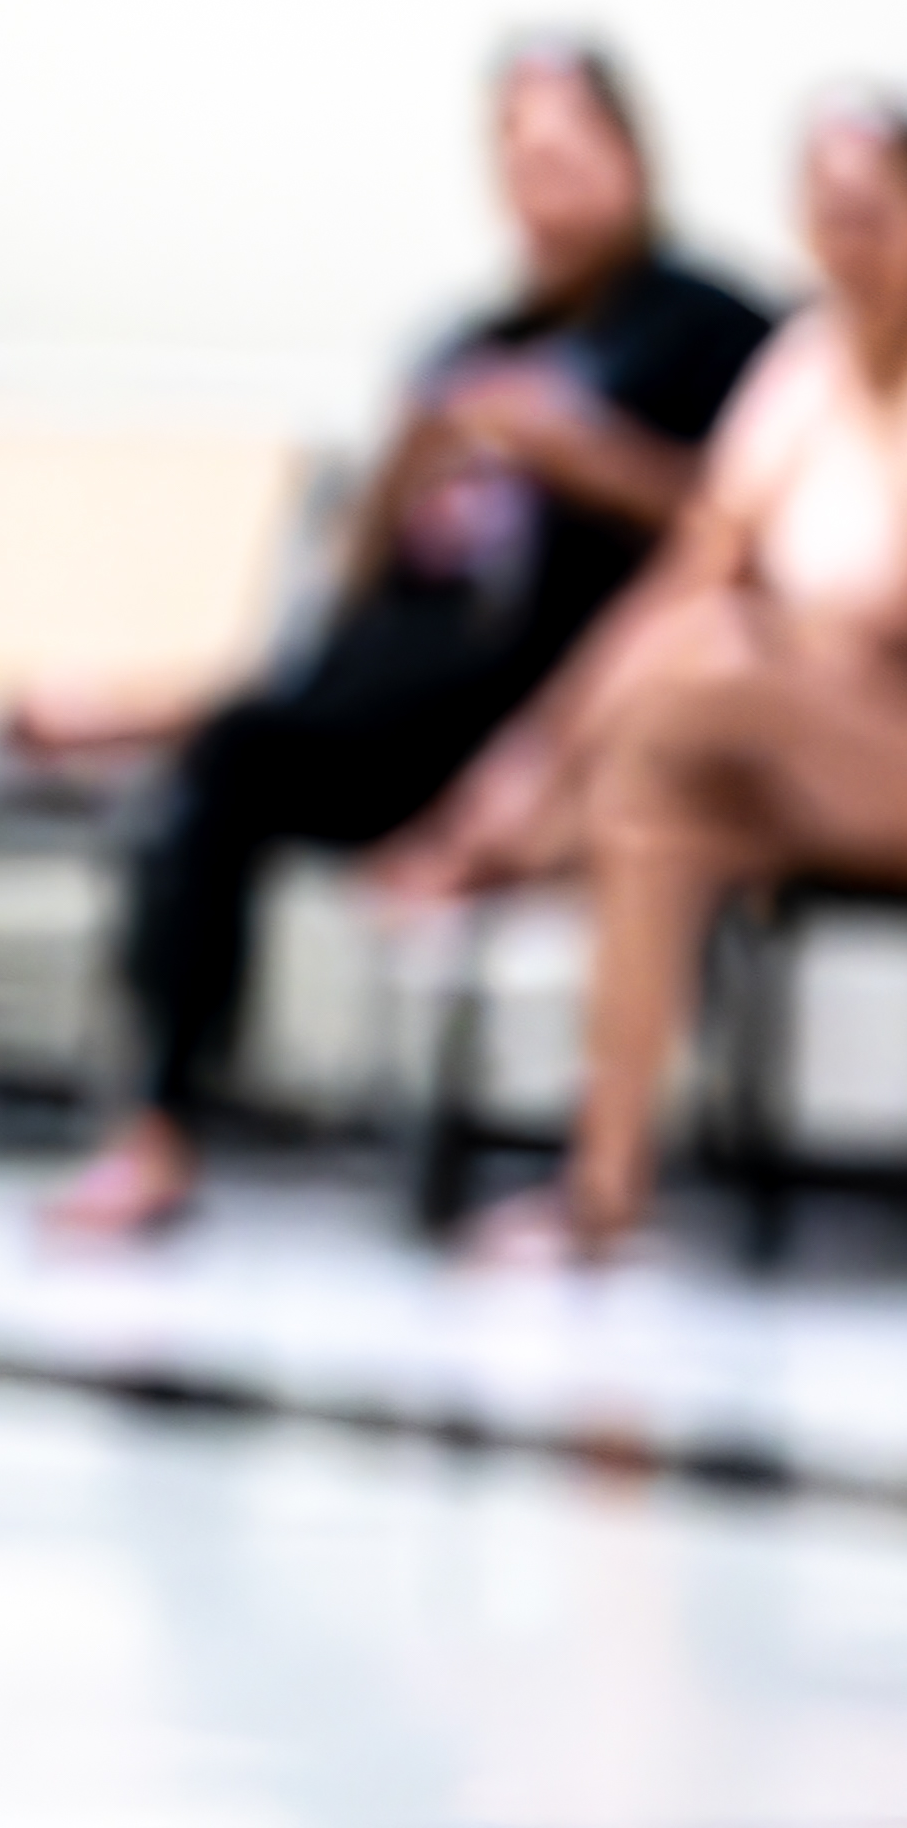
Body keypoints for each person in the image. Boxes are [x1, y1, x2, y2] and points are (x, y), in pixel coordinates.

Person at [29, 40, 770, 1245]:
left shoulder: (712, 329)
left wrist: (580, 453)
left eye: (569, 148)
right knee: (229, 758)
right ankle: (158, 1121)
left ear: (632, 157)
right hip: (390, 698)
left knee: (248, 727)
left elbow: (734, 532)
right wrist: (409, 466)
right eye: (519, 153)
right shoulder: (462, 343)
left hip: (557, 709)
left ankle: (165, 714)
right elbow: (365, 576)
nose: (544, 179)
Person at [361, 94, 907, 1260]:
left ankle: (505, 850)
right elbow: (690, 570)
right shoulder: (805, 365)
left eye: (874, 214)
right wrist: (542, 744)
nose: (849, 243)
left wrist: (793, 643)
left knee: (704, 665)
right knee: (660, 792)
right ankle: (603, 1184)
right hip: (792, 734)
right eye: (828, 217)